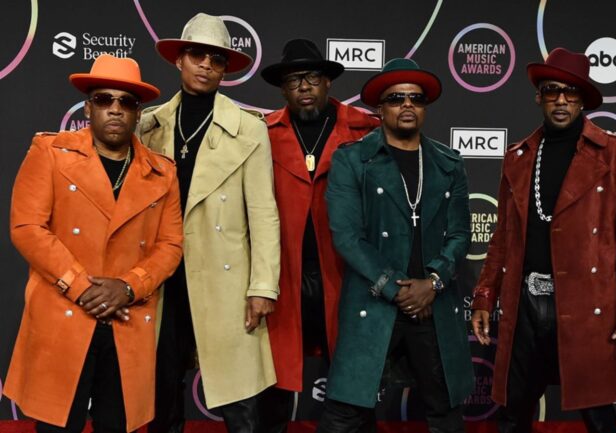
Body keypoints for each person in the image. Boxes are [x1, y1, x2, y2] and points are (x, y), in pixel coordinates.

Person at [470, 48, 616, 433]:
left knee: (597, 412)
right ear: (539, 96)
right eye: (551, 90)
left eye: (571, 92)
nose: (560, 100)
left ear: (584, 99)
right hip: (523, 303)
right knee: (511, 410)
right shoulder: (518, 157)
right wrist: (485, 295)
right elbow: (502, 237)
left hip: (588, 301)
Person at [3, 54, 183, 433]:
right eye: (104, 100)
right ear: (88, 106)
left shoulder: (161, 172)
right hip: (64, 310)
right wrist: (83, 287)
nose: (115, 110)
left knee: (117, 425)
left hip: (128, 317)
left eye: (126, 102)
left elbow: (171, 245)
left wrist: (130, 286)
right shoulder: (50, 153)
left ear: (138, 112)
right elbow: (27, 227)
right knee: (57, 426)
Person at [138, 13, 280, 433]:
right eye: (197, 55)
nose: (205, 65)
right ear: (179, 60)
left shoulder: (250, 130)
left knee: (240, 405)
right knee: (161, 392)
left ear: (225, 68)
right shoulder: (150, 125)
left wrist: (262, 287)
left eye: (215, 59)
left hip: (225, 279)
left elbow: (264, 214)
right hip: (163, 278)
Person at [316, 58, 473, 433]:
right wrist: (398, 289)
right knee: (345, 413)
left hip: (432, 304)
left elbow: (460, 235)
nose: (406, 105)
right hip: (375, 301)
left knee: (446, 413)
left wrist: (431, 283)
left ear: (425, 106)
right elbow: (347, 236)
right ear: (380, 108)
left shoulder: (448, 163)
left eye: (415, 98)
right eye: (396, 98)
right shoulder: (353, 160)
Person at [257, 39, 380, 432]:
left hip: (346, 273)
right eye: (295, 80)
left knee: (353, 375)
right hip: (284, 273)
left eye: (312, 77)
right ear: (283, 89)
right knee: (272, 377)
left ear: (328, 82)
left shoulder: (366, 130)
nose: (304, 86)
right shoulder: (261, 134)